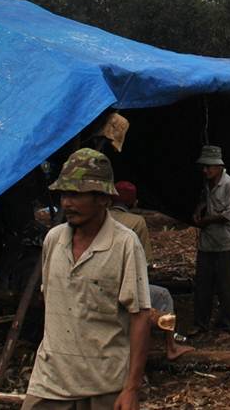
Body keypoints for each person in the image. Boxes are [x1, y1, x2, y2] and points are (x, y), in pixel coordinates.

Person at [23, 148, 149, 410]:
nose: (67, 203)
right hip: (50, 382)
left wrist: (131, 388)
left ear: (103, 198)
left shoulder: (125, 244)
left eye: (77, 194)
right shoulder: (54, 240)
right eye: (65, 194)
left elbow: (139, 316)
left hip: (104, 385)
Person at [110, 181, 192, 360]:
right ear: (133, 203)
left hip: (102, 283)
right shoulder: (136, 222)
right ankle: (171, 346)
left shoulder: (100, 218)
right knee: (163, 296)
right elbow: (145, 262)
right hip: (123, 285)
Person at [191, 145, 230, 337]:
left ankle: (226, 326)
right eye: (204, 167)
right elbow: (204, 201)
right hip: (206, 244)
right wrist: (198, 211)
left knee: (225, 288)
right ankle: (200, 323)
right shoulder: (207, 184)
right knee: (203, 286)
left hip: (225, 245)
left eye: (209, 167)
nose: (206, 170)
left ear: (219, 166)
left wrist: (206, 220)